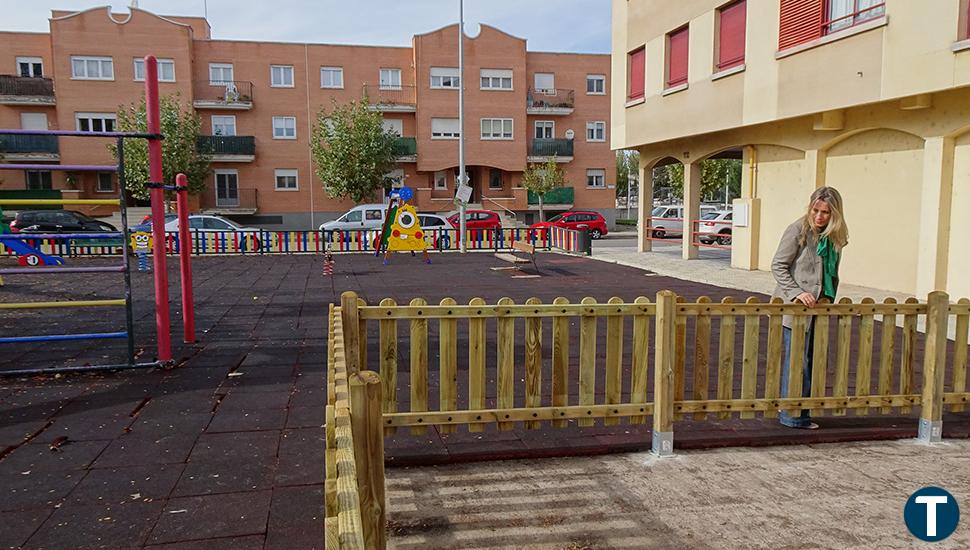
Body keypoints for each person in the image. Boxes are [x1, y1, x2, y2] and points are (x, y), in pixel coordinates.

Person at [771, 187, 849, 429]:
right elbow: (778, 266)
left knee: (812, 361)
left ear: (834, 213)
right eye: (815, 210)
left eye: (825, 212)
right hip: (797, 308)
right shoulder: (798, 229)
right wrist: (797, 293)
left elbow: (830, 273)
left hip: (819, 308)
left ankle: (801, 412)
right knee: (798, 362)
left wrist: (828, 298)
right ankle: (792, 416)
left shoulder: (834, 235)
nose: (819, 216)